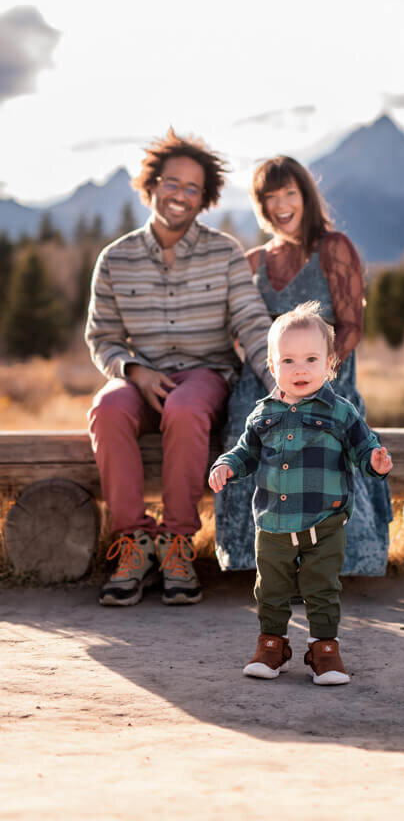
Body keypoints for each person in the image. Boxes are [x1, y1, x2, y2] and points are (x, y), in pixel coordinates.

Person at [85, 128, 274, 608]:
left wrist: (283, 381)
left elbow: (253, 324)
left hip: (205, 376)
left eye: (193, 188)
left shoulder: (225, 253)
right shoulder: (116, 259)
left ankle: (176, 544)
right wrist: (132, 371)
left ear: (205, 198)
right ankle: (133, 543)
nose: (180, 196)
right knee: (107, 408)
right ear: (152, 185)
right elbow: (102, 337)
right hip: (141, 376)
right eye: (173, 183)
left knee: (187, 409)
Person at [214, 155, 393, 575]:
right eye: (270, 196)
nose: (281, 204)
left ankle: (337, 556)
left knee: (327, 423)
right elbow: (239, 327)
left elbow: (351, 326)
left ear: (306, 196)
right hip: (266, 375)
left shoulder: (334, 249)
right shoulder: (254, 260)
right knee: (247, 418)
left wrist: (315, 375)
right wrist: (275, 373)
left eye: (289, 192)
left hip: (326, 373)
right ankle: (250, 555)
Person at [209, 302, 392, 684]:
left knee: (322, 589)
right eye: (288, 361)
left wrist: (375, 461)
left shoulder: (340, 412)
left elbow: (363, 448)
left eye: (311, 359)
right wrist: (226, 465)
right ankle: (271, 646)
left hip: (324, 523)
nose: (301, 369)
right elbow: (245, 452)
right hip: (273, 524)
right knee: (270, 590)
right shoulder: (262, 414)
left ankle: (324, 651)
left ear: (329, 364)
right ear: (273, 368)